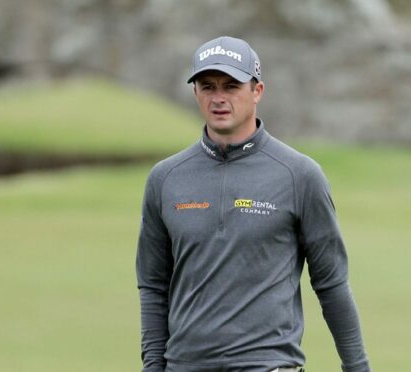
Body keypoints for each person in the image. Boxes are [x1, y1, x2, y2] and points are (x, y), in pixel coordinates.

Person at [136, 36, 371, 372]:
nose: (218, 98)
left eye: (231, 86)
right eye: (208, 86)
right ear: (195, 93)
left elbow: (331, 284)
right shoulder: (165, 178)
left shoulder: (299, 175)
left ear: (257, 91)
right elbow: (153, 286)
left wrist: (358, 367)